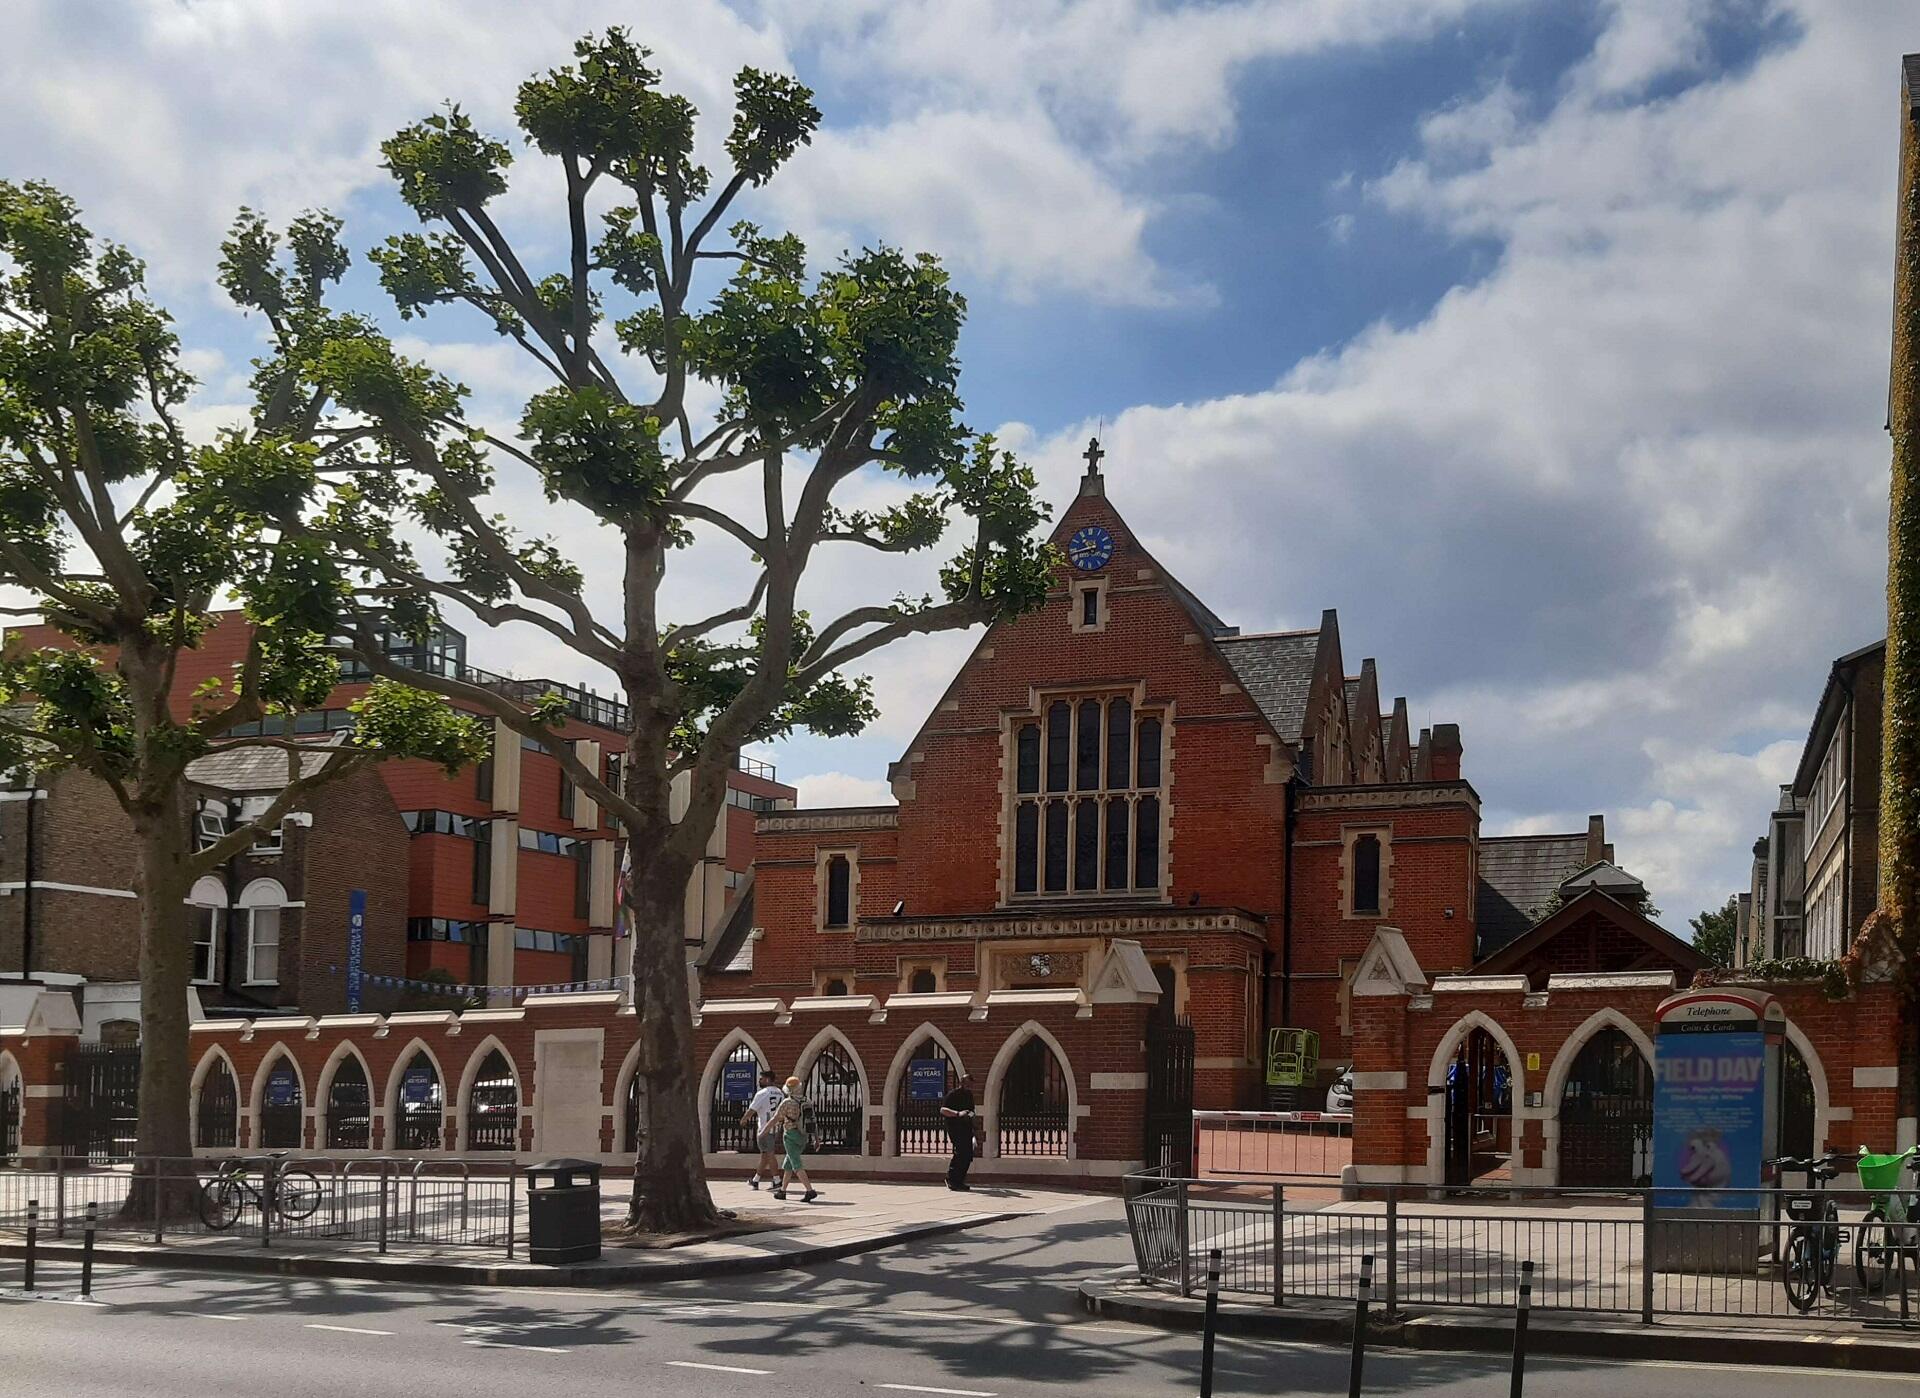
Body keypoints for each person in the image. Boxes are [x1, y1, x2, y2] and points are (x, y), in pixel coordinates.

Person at [770, 1075, 819, 1203]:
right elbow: (813, 1121)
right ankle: (782, 1191)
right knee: (788, 1163)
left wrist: (764, 1130)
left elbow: (776, 1118)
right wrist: (816, 1139)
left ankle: (810, 1190)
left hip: (790, 1135)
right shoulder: (807, 1101)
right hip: (803, 1136)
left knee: (796, 1163)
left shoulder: (787, 1102)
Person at [742, 1070, 785, 1190]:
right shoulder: (780, 1093)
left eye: (761, 1079)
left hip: (764, 1127)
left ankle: (777, 1180)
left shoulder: (762, 1093)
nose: (759, 1081)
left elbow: (752, 1109)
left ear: (767, 1079)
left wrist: (744, 1119)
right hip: (775, 1127)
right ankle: (755, 1180)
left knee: (769, 1153)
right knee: (765, 1154)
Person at [941, 1072, 978, 1191]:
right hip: (955, 1127)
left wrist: (970, 1115)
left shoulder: (969, 1095)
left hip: (966, 1128)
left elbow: (972, 1110)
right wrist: (958, 1113)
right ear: (961, 1083)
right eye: (967, 1084)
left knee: (967, 1155)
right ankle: (951, 1179)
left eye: (971, 1084)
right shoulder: (953, 1094)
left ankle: (960, 1180)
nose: (969, 1086)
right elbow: (943, 1110)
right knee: (960, 1152)